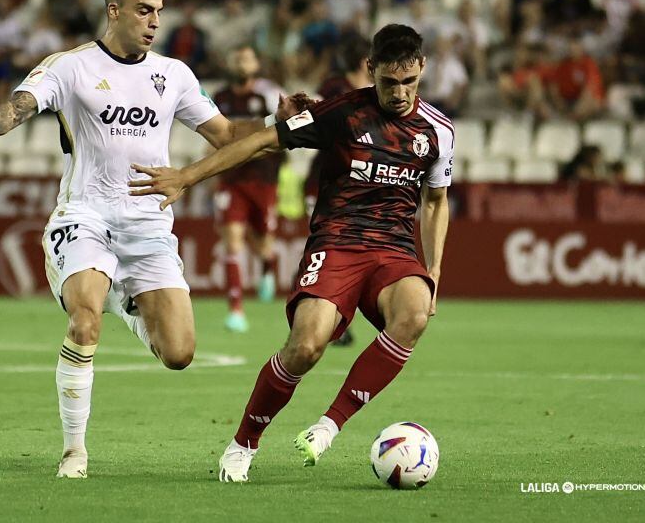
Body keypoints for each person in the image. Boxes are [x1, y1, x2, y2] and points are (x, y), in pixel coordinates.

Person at [0, 0, 297, 480]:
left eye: (159, 11)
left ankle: (123, 298)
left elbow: (226, 134)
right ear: (113, 10)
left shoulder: (174, 75)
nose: (155, 20)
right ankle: (74, 451)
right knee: (83, 321)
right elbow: (19, 108)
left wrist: (277, 124)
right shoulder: (70, 67)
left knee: (179, 354)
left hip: (148, 227)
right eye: (144, 9)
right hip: (85, 216)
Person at [129, 24, 453, 483]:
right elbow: (261, 141)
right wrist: (188, 175)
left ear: (422, 68)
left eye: (409, 82)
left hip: (394, 250)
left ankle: (328, 426)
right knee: (305, 347)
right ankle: (243, 443)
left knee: (416, 314)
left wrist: (434, 269)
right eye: (388, 82)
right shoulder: (341, 114)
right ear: (370, 70)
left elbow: (436, 201)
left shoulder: (438, 131)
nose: (399, 93)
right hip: (338, 243)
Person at [303, 35, 373, 347]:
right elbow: (310, 120)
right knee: (333, 249)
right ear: (364, 63)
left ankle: (332, 321)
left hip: (360, 186)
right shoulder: (335, 88)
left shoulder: (375, 93)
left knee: (350, 253)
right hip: (325, 183)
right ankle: (327, 322)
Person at [213, 45, 284, 332]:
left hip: (263, 178)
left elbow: (282, 129)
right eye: (237, 57)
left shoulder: (267, 94)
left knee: (263, 242)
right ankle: (236, 310)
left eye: (247, 58)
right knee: (232, 241)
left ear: (256, 64)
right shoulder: (220, 97)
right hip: (231, 179)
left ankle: (268, 265)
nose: (242, 62)